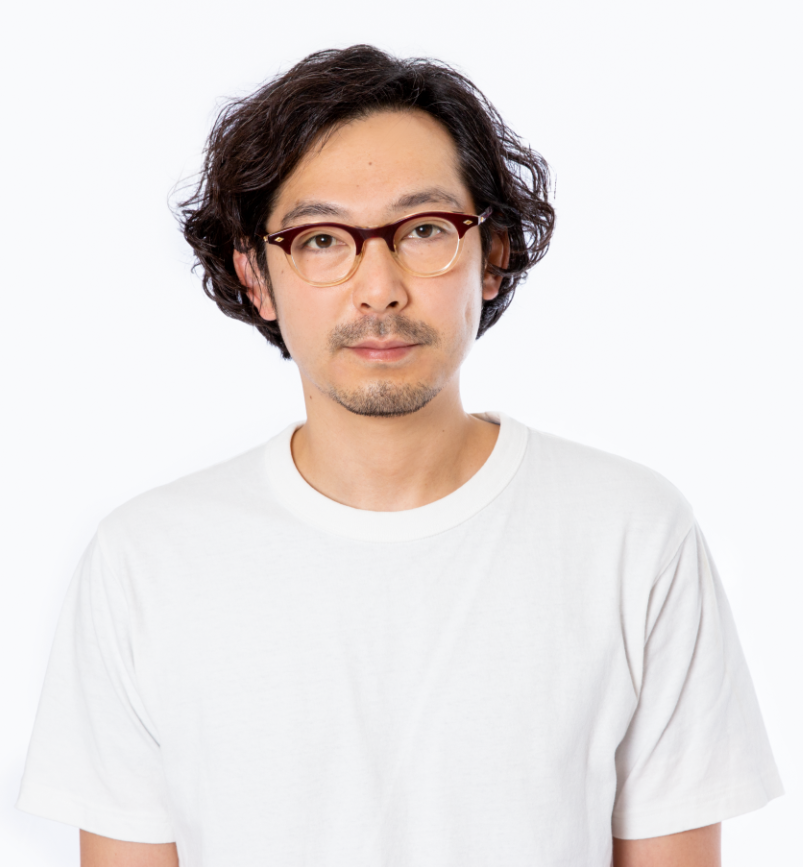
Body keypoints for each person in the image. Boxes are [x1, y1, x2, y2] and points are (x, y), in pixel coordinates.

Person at [17, 44, 782, 867]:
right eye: (320, 239)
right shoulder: (145, 561)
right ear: (257, 276)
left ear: (491, 256)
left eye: (423, 231)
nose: (377, 287)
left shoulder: (630, 534)